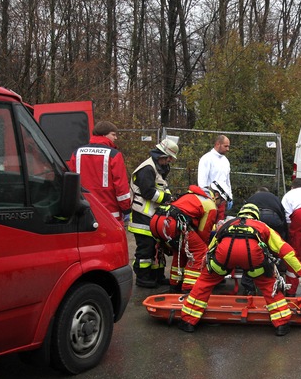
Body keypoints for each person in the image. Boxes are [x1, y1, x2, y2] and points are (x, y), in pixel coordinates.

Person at [178, 204, 301, 336]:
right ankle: (281, 325)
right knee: (269, 285)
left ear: (240, 214)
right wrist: (300, 273)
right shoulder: (262, 226)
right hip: (254, 260)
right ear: (256, 216)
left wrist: (206, 270)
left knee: (204, 283)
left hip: (223, 258)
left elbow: (210, 250)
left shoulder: (226, 225)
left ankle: (188, 321)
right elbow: (286, 251)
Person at [150, 181, 230, 292]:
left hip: (158, 221)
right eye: (221, 201)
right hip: (172, 224)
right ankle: (189, 288)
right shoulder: (210, 205)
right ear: (216, 195)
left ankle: (175, 284)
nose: (220, 205)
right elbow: (204, 233)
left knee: (181, 251)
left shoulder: (191, 195)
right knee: (200, 251)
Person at [127, 138, 179, 288]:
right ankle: (143, 278)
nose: (169, 162)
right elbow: (148, 192)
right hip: (142, 214)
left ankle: (157, 276)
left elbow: (162, 186)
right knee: (146, 249)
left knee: (158, 247)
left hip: (153, 215)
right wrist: (167, 198)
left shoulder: (159, 168)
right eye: (169, 158)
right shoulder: (147, 169)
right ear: (162, 155)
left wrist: (171, 198)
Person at [68, 121, 131, 221]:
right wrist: (126, 209)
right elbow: (121, 186)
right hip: (109, 211)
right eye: (113, 134)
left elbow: (70, 181)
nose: (116, 138)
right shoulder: (114, 155)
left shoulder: (77, 153)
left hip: (83, 209)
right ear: (104, 135)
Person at [240, 187, 289, 295]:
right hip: (273, 218)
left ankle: (249, 288)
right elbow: (283, 220)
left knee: (249, 250)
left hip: (256, 219)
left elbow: (242, 217)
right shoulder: (275, 198)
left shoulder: (252, 198)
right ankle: (273, 281)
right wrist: (283, 239)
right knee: (272, 251)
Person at [198, 135, 232, 221]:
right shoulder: (206, 159)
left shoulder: (225, 161)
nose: (228, 149)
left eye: (228, 146)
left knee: (220, 225)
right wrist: (207, 199)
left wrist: (230, 196)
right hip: (211, 199)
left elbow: (227, 181)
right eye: (225, 146)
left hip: (223, 199)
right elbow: (202, 182)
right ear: (217, 144)